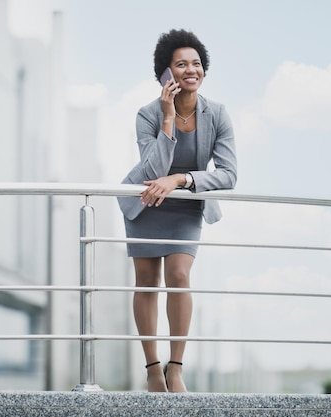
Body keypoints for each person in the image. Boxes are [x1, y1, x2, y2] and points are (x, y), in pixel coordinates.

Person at [117, 29, 237, 392]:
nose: (191, 70)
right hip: (147, 203)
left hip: (185, 206)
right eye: (181, 64)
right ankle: (153, 369)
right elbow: (153, 172)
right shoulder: (147, 114)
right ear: (165, 74)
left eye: (196, 64)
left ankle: (176, 368)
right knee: (148, 283)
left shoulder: (217, 114)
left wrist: (181, 180)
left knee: (180, 276)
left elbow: (229, 174)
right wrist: (168, 118)